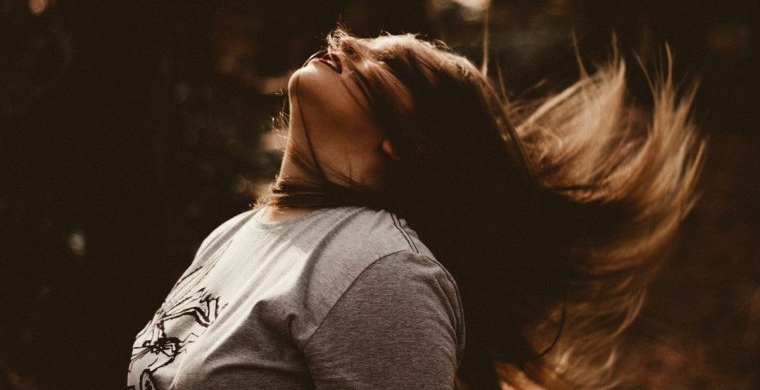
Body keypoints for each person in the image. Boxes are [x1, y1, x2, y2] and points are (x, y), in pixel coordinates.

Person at [127, 29, 704, 390]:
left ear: (412, 143)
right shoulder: (235, 235)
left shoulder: (380, 273)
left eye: (390, 64)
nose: (345, 40)